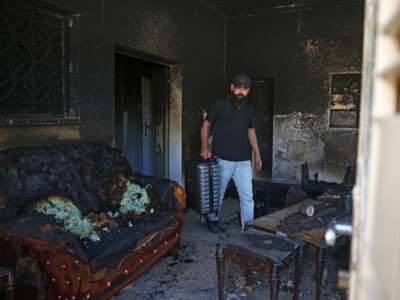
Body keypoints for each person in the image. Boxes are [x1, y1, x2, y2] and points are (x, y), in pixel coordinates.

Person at [200, 73, 262, 233]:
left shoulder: (249, 109)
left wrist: (257, 153)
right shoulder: (220, 105)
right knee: (217, 194)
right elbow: (206, 125)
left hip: (243, 161)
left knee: (248, 197)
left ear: (249, 90)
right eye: (238, 88)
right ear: (232, 87)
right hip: (222, 159)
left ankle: (248, 228)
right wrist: (204, 148)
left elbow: (251, 131)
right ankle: (212, 220)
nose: (241, 92)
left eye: (245, 89)